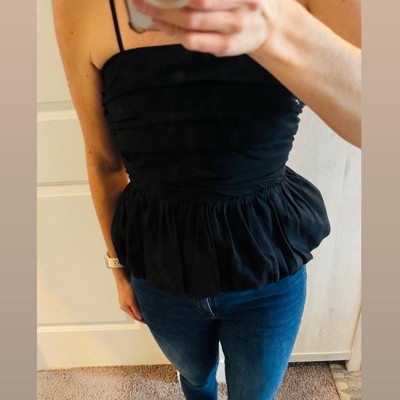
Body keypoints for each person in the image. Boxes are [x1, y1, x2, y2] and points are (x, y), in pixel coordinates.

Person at [51, 0, 361, 398]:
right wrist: (117, 268)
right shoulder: (77, 7)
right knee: (195, 378)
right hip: (159, 268)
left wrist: (276, 24)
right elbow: (104, 161)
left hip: (266, 264)